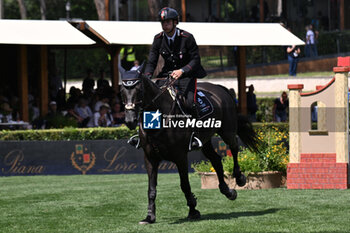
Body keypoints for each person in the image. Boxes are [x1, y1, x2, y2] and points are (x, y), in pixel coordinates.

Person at [129, 7, 207, 150]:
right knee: (150, 100)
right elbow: (152, 61)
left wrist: (182, 71)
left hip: (187, 76)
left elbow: (196, 60)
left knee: (190, 104)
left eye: (168, 22)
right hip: (167, 75)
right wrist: (146, 78)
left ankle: (194, 136)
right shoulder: (158, 39)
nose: (165, 25)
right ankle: (142, 136)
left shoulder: (187, 37)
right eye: (163, 23)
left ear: (175, 22)